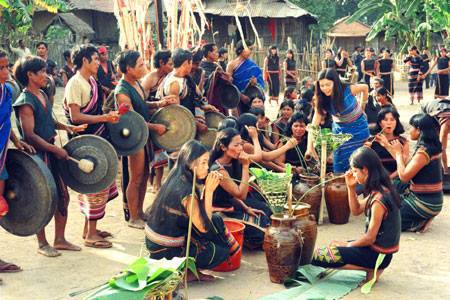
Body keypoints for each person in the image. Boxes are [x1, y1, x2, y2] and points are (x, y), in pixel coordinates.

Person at [13, 55, 84, 256]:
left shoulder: (42, 95)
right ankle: (42, 244)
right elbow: (30, 136)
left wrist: (67, 126)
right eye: (42, 71)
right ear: (30, 75)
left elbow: (48, 121)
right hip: (37, 156)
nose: (46, 75)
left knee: (63, 196)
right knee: (42, 199)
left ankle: (60, 239)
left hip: (51, 151)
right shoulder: (25, 101)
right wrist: (55, 150)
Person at [145, 140, 238, 281]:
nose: (207, 168)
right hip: (165, 250)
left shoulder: (175, 175)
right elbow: (203, 228)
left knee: (217, 219)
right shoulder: (187, 192)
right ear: (190, 163)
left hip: (153, 241)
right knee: (220, 252)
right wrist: (209, 192)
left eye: (207, 163)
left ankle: (189, 268)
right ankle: (185, 272)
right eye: (203, 163)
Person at [312, 147, 401, 284]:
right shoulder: (382, 189)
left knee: (319, 256)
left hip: (377, 256)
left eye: (354, 171)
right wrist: (350, 187)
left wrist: (347, 245)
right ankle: (370, 267)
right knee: (334, 246)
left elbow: (370, 238)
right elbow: (356, 210)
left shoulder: (379, 200)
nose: (353, 174)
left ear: (365, 170)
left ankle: (370, 269)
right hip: (381, 253)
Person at [64, 44, 121, 247]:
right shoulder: (75, 84)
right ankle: (91, 235)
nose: (99, 62)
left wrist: (107, 117)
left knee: (99, 185)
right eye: (95, 59)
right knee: (93, 186)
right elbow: (76, 117)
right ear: (85, 61)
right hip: (86, 144)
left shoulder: (91, 81)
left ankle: (89, 229)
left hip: (97, 139)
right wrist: (104, 117)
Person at [115, 50, 169, 229]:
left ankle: (139, 212)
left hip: (143, 136)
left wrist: (159, 104)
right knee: (135, 177)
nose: (143, 67)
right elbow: (131, 118)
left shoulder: (136, 84)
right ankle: (133, 217)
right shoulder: (122, 91)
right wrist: (155, 127)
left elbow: (142, 104)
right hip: (133, 138)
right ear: (129, 69)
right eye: (139, 65)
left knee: (145, 175)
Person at [0, 50, 35, 277]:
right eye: (0, 68)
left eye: (6, 66)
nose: (4, 72)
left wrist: (16, 141)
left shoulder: (8, 91)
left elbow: (6, 122)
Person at [377, 114, 443, 232]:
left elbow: (404, 176)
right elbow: (406, 166)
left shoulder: (423, 152)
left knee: (384, 221)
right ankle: (419, 215)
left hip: (425, 202)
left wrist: (398, 153)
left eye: (411, 127)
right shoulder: (429, 147)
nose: (409, 130)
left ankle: (419, 222)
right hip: (431, 199)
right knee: (392, 183)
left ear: (419, 131)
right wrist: (387, 145)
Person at [209, 127, 271, 249]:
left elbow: (232, 196)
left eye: (241, 144)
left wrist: (246, 208)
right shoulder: (218, 169)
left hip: (232, 206)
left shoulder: (233, 160)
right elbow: (240, 194)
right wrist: (245, 167)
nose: (240, 148)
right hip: (219, 213)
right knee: (258, 234)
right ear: (223, 147)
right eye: (236, 145)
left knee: (265, 212)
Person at [306, 68, 369, 173]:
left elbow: (365, 88)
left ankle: (358, 188)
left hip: (359, 129)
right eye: (322, 85)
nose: (325, 88)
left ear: (335, 83)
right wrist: (309, 147)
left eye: (328, 85)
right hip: (340, 132)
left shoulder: (348, 89)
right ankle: (342, 186)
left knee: (358, 162)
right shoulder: (321, 98)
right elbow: (314, 124)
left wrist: (362, 106)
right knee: (340, 161)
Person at [157, 48, 212, 133]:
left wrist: (204, 106)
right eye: (191, 62)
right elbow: (178, 114)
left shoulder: (184, 77)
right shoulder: (174, 84)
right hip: (180, 130)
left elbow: (196, 96)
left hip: (189, 121)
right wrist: (198, 125)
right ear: (187, 62)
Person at [366, 107, 408, 178]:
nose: (389, 123)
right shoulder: (371, 141)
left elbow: (404, 163)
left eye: (392, 120)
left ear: (396, 122)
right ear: (379, 122)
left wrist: (387, 145)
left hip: (396, 179)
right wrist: (365, 151)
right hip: (375, 179)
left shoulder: (403, 141)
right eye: (385, 120)